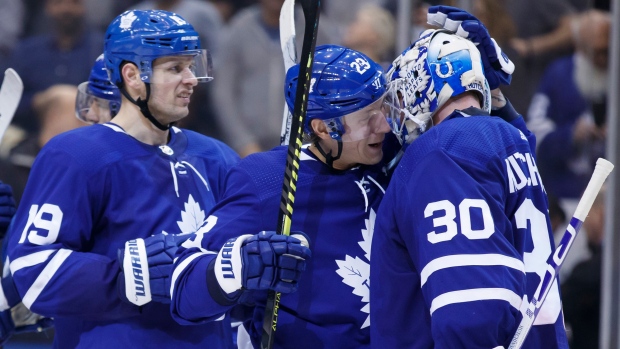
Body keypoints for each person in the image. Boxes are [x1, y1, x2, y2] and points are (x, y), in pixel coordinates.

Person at [4, 10, 241, 348]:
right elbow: (32, 269)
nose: (190, 79)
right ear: (132, 75)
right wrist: (120, 277)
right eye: (175, 68)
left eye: (192, 66)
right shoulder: (75, 156)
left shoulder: (217, 157)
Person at [370, 7, 569, 348]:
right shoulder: (510, 139)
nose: (398, 112)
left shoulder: (443, 150)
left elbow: (471, 305)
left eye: (403, 94)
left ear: (426, 83)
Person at [170, 45, 391, 348]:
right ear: (322, 127)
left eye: (385, 108)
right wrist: (236, 265)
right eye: (368, 118)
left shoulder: (392, 157)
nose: (385, 126)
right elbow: (183, 287)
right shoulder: (269, 181)